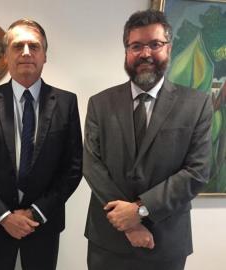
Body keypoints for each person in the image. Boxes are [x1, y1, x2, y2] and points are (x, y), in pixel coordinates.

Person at [83, 10, 212, 270]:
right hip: (108, 241)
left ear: (169, 48)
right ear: (127, 51)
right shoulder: (100, 103)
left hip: (165, 241)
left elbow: (197, 171)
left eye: (155, 44)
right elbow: (91, 164)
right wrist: (129, 224)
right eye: (136, 46)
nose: (145, 54)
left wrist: (141, 210)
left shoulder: (197, 104)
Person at [0, 19, 82, 270]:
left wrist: (35, 213)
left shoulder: (66, 102)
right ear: (6, 56)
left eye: (34, 46)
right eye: (18, 46)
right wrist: (4, 216)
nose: (26, 52)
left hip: (43, 224)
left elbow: (72, 168)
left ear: (44, 55)